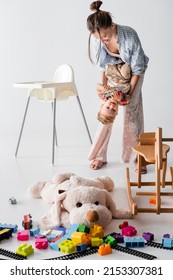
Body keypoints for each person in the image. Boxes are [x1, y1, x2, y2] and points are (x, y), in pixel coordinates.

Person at [86, 1, 149, 171]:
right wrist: (105, 90)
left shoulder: (129, 36)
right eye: (99, 38)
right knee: (106, 112)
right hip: (113, 72)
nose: (103, 40)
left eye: (105, 36)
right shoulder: (96, 38)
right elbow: (102, 67)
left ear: (112, 25)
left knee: (131, 113)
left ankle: (137, 158)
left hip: (134, 73)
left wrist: (129, 94)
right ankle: (99, 155)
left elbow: (137, 69)